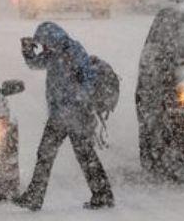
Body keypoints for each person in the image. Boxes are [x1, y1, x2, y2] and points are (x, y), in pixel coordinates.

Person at [13, 22, 114, 211]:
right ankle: (103, 195)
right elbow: (35, 64)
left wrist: (75, 100)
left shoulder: (73, 51)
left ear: (52, 38)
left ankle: (35, 197)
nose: (43, 47)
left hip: (73, 114)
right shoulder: (54, 52)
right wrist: (27, 51)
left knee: (51, 154)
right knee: (80, 155)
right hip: (62, 114)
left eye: (44, 42)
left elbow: (89, 80)